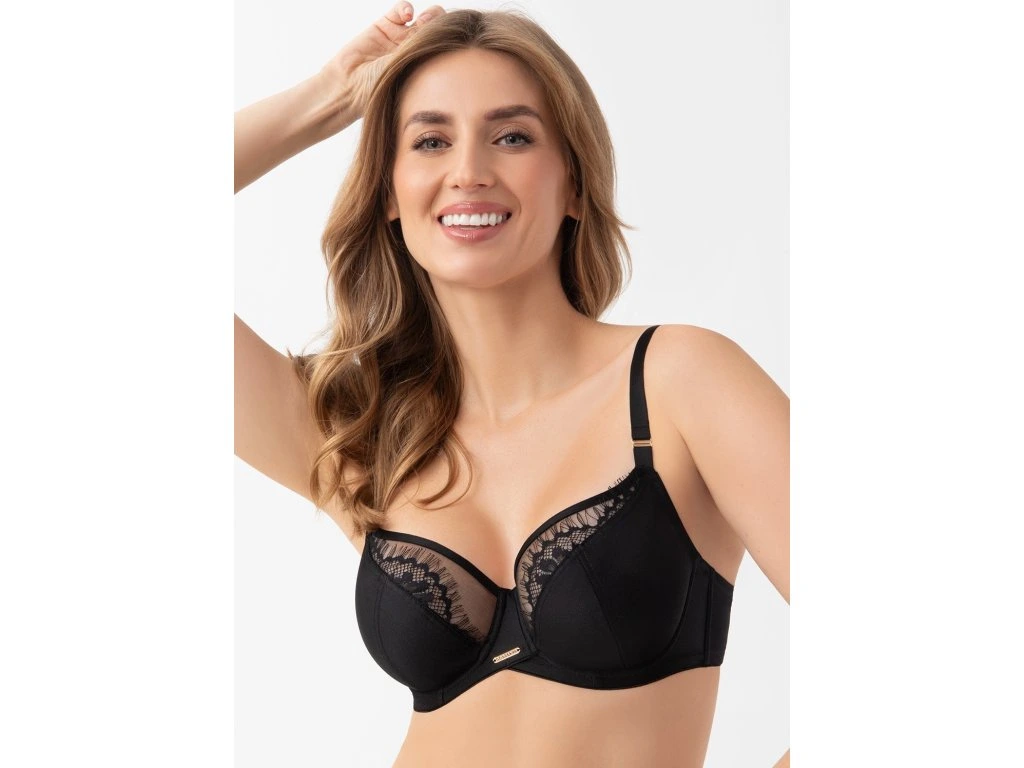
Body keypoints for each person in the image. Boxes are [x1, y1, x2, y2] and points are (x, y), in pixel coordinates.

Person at [235, 4, 789, 767]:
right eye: (430, 140)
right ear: (389, 193)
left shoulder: (679, 383)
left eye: (512, 137)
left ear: (574, 185)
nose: (468, 171)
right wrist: (329, 97)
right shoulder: (367, 438)